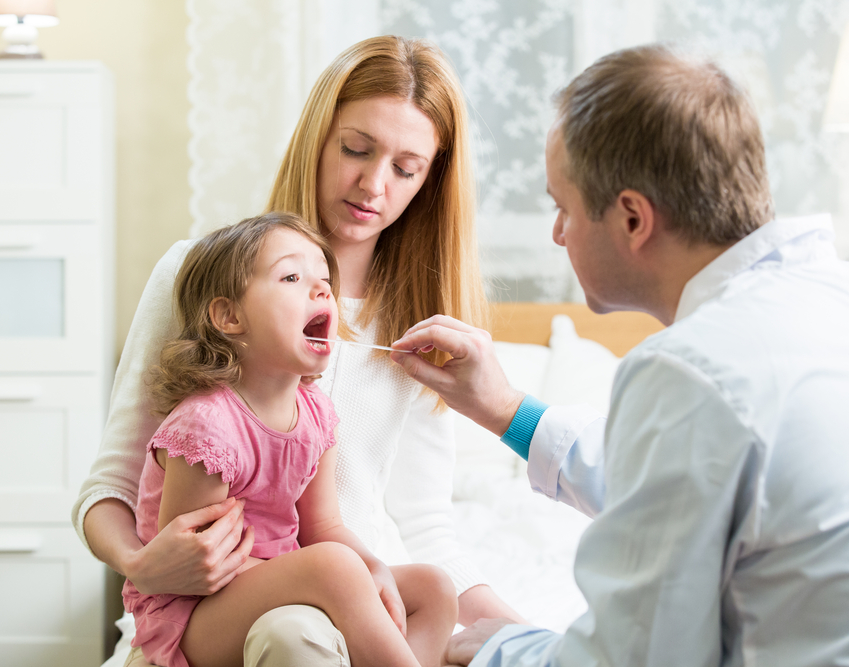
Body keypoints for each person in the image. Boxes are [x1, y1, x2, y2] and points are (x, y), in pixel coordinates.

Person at [391, 44, 849, 666]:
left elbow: (632, 657)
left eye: (561, 207)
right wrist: (507, 411)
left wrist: (505, 649)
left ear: (632, 219)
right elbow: (692, 482)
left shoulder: (690, 370)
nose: (557, 233)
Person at [72, 36, 522, 667]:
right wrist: (142, 563)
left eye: (405, 168)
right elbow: (110, 487)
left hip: (357, 605)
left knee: (421, 588)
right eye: (356, 150)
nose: (372, 184)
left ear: (430, 180)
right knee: (294, 631)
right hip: (235, 607)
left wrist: (536, 640)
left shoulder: (419, 329)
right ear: (319, 138)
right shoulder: (199, 277)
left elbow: (425, 524)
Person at [124, 212, 456, 667]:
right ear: (229, 316)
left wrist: (371, 568)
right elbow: (197, 562)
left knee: (433, 589)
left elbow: (325, 528)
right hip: (193, 614)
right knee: (334, 568)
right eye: (292, 276)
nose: (321, 290)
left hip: (277, 586)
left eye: (324, 280)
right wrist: (319, 579)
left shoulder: (317, 414)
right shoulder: (207, 426)